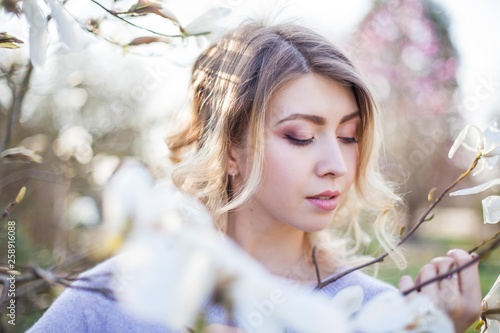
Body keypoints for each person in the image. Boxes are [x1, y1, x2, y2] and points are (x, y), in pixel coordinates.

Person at [27, 22, 481, 333]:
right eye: (301, 136)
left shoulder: (377, 312)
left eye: (348, 136)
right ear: (229, 151)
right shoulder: (109, 301)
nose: (337, 165)